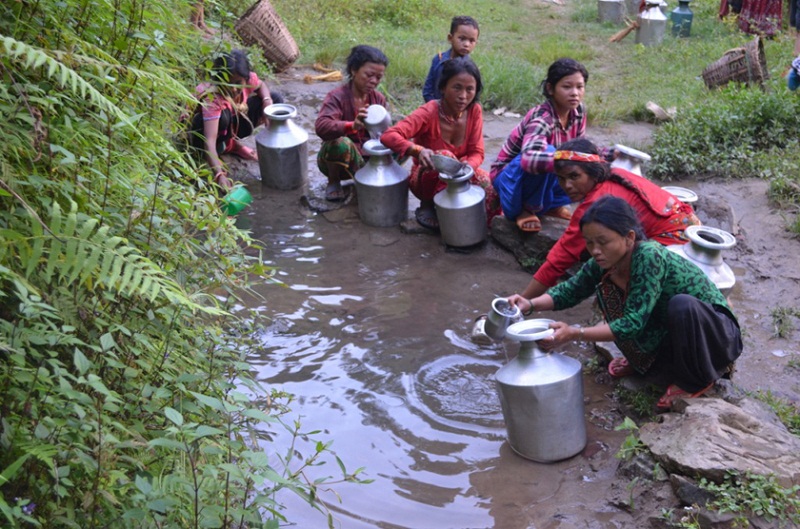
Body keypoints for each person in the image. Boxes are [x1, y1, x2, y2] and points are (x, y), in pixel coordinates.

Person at [508, 196, 742, 411]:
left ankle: (695, 380)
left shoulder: (649, 256)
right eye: (589, 243)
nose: (596, 251)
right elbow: (571, 290)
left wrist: (574, 333)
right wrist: (529, 304)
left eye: (603, 241)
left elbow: (633, 323)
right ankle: (647, 361)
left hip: (714, 336)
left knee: (681, 305)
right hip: (673, 332)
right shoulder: (604, 262)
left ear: (629, 237)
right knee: (610, 290)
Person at [515, 138, 700, 300]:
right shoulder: (614, 175)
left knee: (611, 265)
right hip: (690, 232)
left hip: (677, 246)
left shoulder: (598, 202)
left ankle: (624, 319)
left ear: (593, 172)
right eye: (561, 179)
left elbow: (559, 259)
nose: (567, 185)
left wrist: (523, 300)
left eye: (574, 176)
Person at [490, 58, 612, 232]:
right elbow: (529, 160)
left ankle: (550, 206)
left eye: (580, 86)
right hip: (510, 178)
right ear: (550, 88)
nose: (575, 93)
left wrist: (607, 155)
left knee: (587, 167)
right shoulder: (542, 119)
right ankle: (526, 209)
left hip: (547, 173)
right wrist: (570, 157)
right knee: (552, 153)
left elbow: (578, 149)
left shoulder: (578, 112)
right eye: (567, 87)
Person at [381, 57, 497, 230]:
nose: (463, 96)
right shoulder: (429, 111)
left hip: (457, 177)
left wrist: (467, 166)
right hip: (425, 179)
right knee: (443, 156)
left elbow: (477, 152)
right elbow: (389, 136)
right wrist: (417, 150)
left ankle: (482, 224)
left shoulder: (474, 111)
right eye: (457, 87)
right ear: (443, 88)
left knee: (489, 183)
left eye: (469, 89)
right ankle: (427, 206)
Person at [188, 50, 283, 190]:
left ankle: (234, 145)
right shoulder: (212, 98)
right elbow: (209, 140)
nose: (233, 89)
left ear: (245, 79)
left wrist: (267, 103)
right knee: (224, 117)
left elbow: (261, 85)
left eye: (238, 83)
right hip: (201, 135)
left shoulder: (248, 79)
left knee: (275, 99)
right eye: (228, 84)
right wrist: (219, 175)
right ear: (220, 80)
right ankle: (228, 147)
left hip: (228, 126)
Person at [315, 45, 389, 202]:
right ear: (354, 71)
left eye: (378, 77)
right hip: (340, 160)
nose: (374, 81)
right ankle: (334, 181)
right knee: (339, 143)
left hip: (368, 159)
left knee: (402, 143)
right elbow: (321, 127)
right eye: (369, 75)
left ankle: (376, 175)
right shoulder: (337, 97)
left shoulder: (378, 99)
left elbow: (383, 133)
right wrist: (351, 126)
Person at [422, 16, 480, 103]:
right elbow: (427, 90)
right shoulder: (438, 60)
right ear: (450, 38)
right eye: (462, 38)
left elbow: (473, 96)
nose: (466, 44)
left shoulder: (470, 69)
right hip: (435, 110)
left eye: (471, 41)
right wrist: (434, 108)